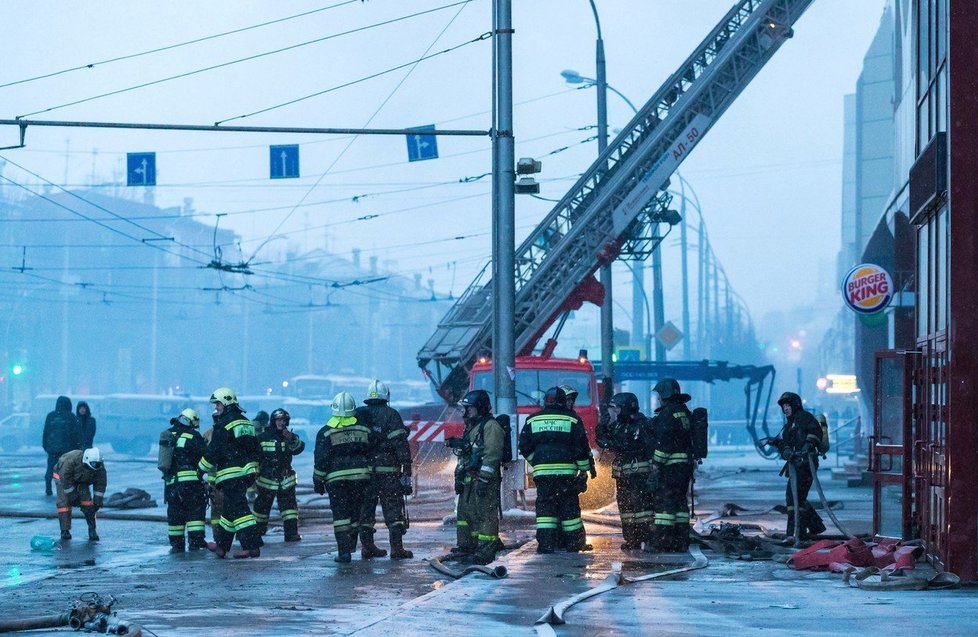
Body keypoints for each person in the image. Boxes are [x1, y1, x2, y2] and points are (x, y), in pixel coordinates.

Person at [518, 386, 592, 554]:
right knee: (569, 508)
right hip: (566, 474)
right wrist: (583, 470)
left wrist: (536, 462)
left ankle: (546, 544)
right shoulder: (572, 420)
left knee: (545, 509)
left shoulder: (532, 420)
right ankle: (574, 544)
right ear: (562, 401)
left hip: (543, 474)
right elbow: (580, 448)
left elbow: (524, 446)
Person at [198, 387, 262, 559]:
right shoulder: (246, 423)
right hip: (246, 474)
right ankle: (222, 547)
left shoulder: (224, 424)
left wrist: (200, 469)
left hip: (230, 474)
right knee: (229, 510)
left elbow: (214, 450)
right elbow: (256, 449)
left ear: (226, 402)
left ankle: (252, 546)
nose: (216, 407)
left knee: (240, 511)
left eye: (218, 403)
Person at [314, 392, 377, 563]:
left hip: (337, 482)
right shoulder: (364, 429)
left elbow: (321, 458)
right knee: (355, 513)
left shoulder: (326, 432)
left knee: (341, 516)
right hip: (360, 479)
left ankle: (344, 552)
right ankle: (351, 545)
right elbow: (371, 452)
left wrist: (318, 479)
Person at [356, 380, 414, 560]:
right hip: (388, 472)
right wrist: (407, 466)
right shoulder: (391, 414)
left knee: (365, 510)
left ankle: (367, 547)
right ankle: (396, 549)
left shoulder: (359, 414)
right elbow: (400, 443)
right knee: (393, 509)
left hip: (365, 473)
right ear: (386, 397)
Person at [449, 389, 505, 565]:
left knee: (485, 516)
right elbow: (466, 455)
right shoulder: (472, 427)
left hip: (483, 481)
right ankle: (467, 546)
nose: (465, 412)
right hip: (469, 480)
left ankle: (486, 550)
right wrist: (458, 477)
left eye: (469, 408)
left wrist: (484, 479)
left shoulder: (491, 427)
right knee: (466, 515)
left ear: (479, 408)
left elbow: (493, 454)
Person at [596, 392, 656, 551]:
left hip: (639, 476)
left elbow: (644, 447)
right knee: (626, 509)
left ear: (627, 408)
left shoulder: (642, 425)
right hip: (623, 477)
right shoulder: (616, 425)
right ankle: (632, 540)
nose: (613, 413)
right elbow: (604, 442)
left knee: (642, 509)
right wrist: (602, 426)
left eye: (616, 409)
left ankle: (647, 538)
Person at [766, 392, 826, 542]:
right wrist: (780, 445)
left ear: (795, 405)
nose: (785, 408)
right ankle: (812, 527)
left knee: (794, 497)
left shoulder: (805, 417)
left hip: (807, 464)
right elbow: (787, 443)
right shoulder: (789, 424)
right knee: (797, 497)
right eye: (784, 406)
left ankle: (794, 534)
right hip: (795, 464)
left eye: (787, 405)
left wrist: (807, 445)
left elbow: (815, 432)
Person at [647, 379, 695, 553]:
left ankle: (662, 542)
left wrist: (656, 466)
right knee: (680, 505)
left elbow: (664, 444)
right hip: (685, 467)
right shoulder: (684, 412)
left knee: (664, 507)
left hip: (670, 468)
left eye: (659, 395)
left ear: (665, 394)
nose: (658, 398)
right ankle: (680, 541)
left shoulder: (667, 414)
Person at [160, 408, 208, 552]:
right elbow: (205, 457)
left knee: (175, 515)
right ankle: (195, 542)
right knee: (195, 514)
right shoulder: (194, 436)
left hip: (172, 484)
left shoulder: (169, 434)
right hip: (191, 484)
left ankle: (176, 544)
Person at [253, 408, 305, 542]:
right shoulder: (262, 437)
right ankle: (258, 532)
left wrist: (292, 439)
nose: (282, 423)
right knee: (261, 509)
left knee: (289, 509)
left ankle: (291, 533)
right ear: (273, 421)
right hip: (266, 479)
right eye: (279, 420)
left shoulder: (289, 436)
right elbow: (255, 457)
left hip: (285, 479)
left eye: (284, 420)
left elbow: (298, 449)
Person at [53, 447, 106, 541]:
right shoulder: (69, 461)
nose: (96, 466)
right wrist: (73, 496)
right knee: (64, 504)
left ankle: (92, 530)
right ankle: (65, 531)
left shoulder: (99, 467)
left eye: (98, 464)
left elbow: (100, 484)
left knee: (87, 503)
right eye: (94, 464)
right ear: (86, 460)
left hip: (81, 479)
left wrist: (97, 502)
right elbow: (65, 480)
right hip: (62, 478)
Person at [42, 396, 79, 496]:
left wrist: (46, 446)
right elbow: (75, 434)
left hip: (52, 449)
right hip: (67, 449)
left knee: (50, 469)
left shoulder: (50, 416)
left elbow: (46, 432)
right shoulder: (71, 416)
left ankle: (48, 488)